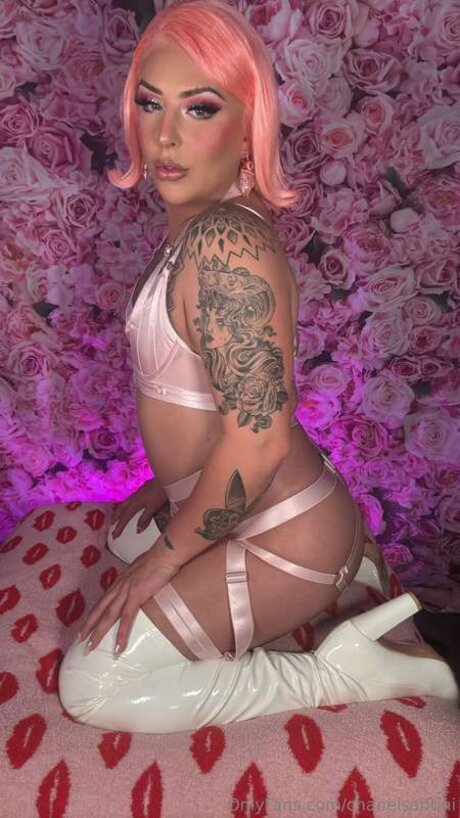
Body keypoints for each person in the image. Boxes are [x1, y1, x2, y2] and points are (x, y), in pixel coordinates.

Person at [58, 0, 458, 734]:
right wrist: (166, 491)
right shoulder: (199, 228)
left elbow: (261, 437)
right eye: (150, 103)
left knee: (91, 685)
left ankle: (342, 668)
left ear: (249, 125)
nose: (165, 136)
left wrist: (166, 560)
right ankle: (357, 568)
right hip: (249, 509)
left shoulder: (227, 248)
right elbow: (204, 401)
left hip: (285, 535)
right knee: (122, 536)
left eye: (200, 108)